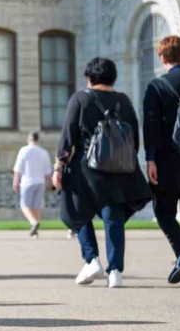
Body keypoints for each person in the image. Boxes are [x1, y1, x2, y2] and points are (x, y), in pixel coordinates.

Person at [53, 58, 152, 288]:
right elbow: (134, 138)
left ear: (89, 77)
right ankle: (115, 271)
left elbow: (68, 137)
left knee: (75, 211)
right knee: (113, 219)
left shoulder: (80, 98)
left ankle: (91, 259)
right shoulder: (124, 101)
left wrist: (59, 166)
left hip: (85, 170)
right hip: (118, 170)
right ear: (113, 78)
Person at [143, 35, 180, 286]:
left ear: (162, 58)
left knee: (163, 210)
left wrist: (150, 159)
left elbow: (151, 125)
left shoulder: (156, 87)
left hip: (168, 160)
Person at [13, 131, 53, 239]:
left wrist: (15, 181)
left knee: (24, 205)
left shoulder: (24, 151)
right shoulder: (44, 152)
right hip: (40, 182)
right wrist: (49, 183)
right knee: (37, 206)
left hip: (27, 181)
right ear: (38, 140)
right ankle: (35, 232)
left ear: (28, 140)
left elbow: (18, 169)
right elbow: (47, 171)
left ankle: (33, 222)